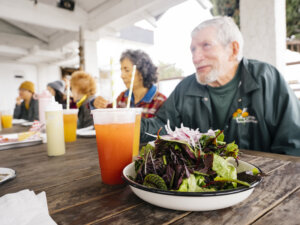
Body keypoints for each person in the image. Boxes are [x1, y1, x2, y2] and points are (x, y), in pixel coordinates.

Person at [141, 16, 300, 156]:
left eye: (206, 45)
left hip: (263, 180)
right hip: (205, 183)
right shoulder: (185, 88)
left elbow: (292, 144)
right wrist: (123, 122)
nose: (195, 57)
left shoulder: (266, 78)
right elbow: (160, 127)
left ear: (233, 49)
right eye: (193, 49)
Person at [93, 49, 167, 118]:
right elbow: (109, 113)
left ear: (142, 72)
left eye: (127, 70)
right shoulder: (122, 97)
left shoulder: (160, 102)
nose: (122, 76)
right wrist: (99, 104)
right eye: (121, 70)